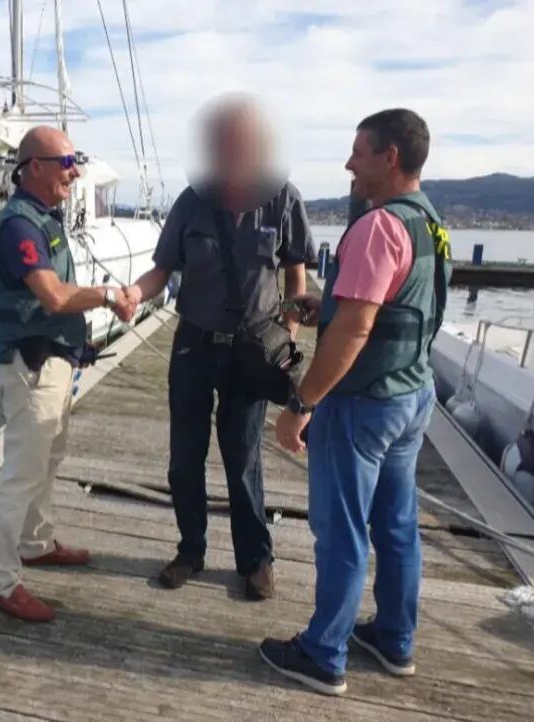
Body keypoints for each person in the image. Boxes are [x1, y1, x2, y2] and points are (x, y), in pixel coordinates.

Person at [261, 108, 451, 695]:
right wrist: (328, 306)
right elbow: (393, 306)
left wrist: (302, 402)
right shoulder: (430, 223)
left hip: (363, 405)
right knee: (397, 526)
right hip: (412, 397)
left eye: (359, 152)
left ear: (389, 157)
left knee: (341, 531)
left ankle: (323, 654)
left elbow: (355, 333)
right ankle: (394, 640)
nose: (348, 164)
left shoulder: (376, 226)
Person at [123, 96, 314, 599]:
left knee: (243, 455)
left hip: (253, 348)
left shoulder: (283, 199)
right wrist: (133, 295)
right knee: (185, 456)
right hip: (194, 344)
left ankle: (256, 560)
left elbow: (297, 273)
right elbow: (162, 270)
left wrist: (288, 335)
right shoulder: (191, 201)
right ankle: (191, 550)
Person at [0, 125, 136, 622]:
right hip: (30, 364)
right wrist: (111, 295)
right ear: (36, 168)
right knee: (22, 474)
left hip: (53, 360)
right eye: (67, 163)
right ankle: (0, 582)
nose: (76, 171)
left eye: (77, 161)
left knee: (49, 458)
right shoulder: (19, 226)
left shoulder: (45, 216)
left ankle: (34, 542)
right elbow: (52, 295)